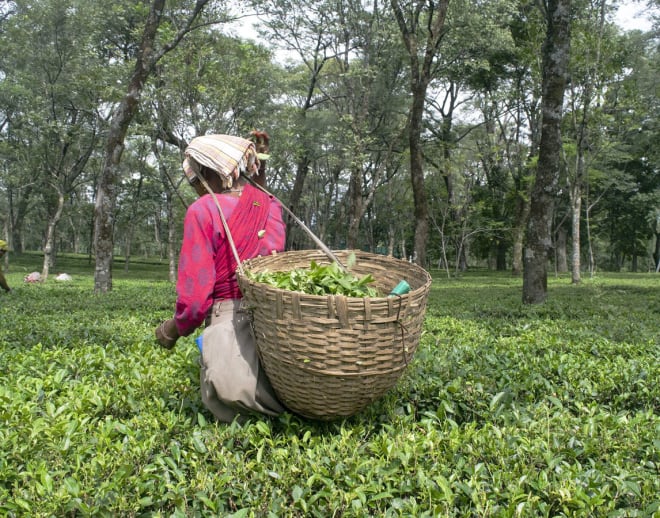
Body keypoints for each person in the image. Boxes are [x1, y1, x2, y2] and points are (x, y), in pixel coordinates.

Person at [155, 132, 286, 423]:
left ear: (209, 173)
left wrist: (171, 330)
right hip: (277, 322)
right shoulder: (271, 206)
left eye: (196, 180)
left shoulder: (203, 210)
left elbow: (195, 302)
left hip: (231, 320)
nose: (197, 189)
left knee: (236, 418)